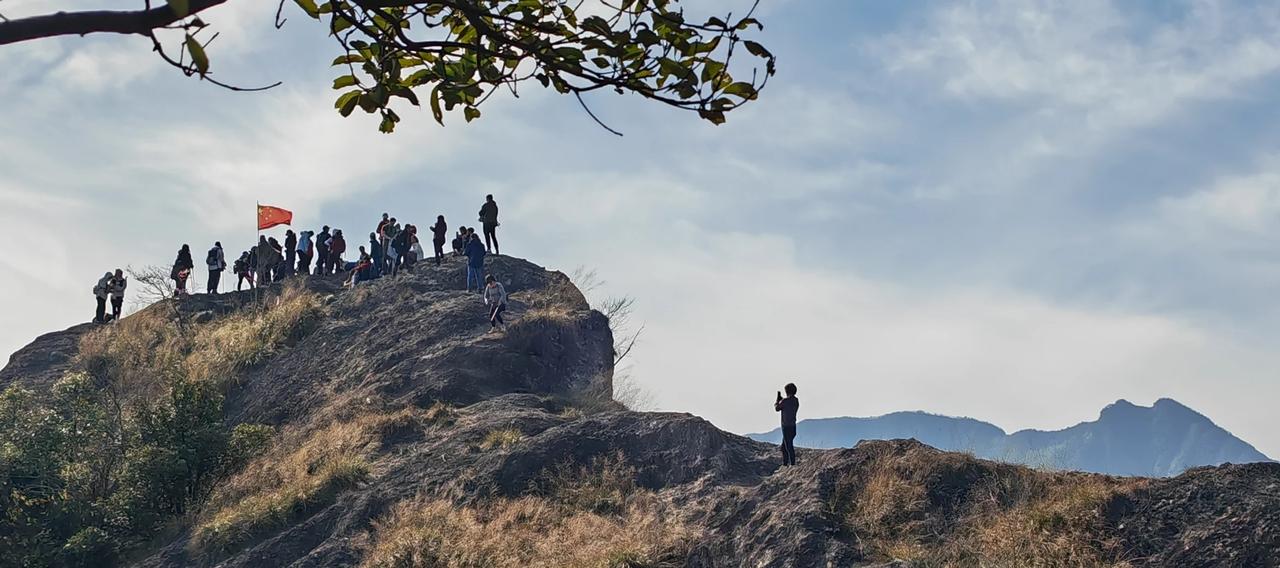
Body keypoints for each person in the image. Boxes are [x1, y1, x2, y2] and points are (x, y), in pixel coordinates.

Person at [774, 383, 800, 467]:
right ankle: (785, 464)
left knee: (788, 446)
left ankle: (792, 464)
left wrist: (777, 401)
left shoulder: (785, 401)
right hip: (793, 426)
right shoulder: (795, 400)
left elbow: (777, 408)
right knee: (784, 446)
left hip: (786, 427)